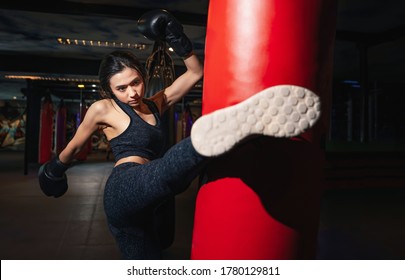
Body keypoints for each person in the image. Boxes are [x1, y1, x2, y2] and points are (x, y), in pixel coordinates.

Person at [38, 9, 321, 259]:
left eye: (135, 82)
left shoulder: (155, 102)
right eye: (121, 88)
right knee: (163, 174)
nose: (132, 92)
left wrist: (178, 40)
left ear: (142, 75)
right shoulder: (103, 108)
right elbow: (74, 147)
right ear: (109, 91)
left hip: (154, 201)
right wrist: (53, 170)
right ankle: (204, 140)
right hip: (125, 190)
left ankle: (208, 141)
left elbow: (195, 73)